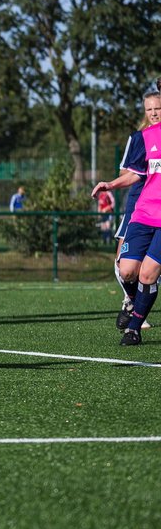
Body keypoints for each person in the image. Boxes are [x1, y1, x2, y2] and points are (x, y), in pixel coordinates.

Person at [91, 115, 161, 344]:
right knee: (126, 271)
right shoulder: (147, 136)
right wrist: (110, 184)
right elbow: (136, 173)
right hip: (144, 213)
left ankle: (134, 328)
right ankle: (134, 301)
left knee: (148, 274)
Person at [110, 90, 161, 330]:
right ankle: (130, 300)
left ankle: (138, 315)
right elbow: (126, 172)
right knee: (124, 264)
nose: (153, 113)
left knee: (149, 271)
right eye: (149, 109)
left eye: (157, 108)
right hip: (139, 204)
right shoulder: (139, 138)